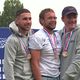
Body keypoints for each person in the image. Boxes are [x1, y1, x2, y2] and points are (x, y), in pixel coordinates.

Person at [29, 8, 62, 80]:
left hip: (57, 76)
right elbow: (34, 63)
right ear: (42, 21)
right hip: (44, 76)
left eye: (54, 18)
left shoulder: (57, 35)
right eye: (50, 18)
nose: (53, 20)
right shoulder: (37, 37)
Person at [4, 9, 33, 80]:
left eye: (30, 19)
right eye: (25, 19)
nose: (28, 22)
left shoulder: (32, 37)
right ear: (17, 21)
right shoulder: (12, 40)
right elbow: (8, 65)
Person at [59, 6, 80, 80]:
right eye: (69, 17)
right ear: (62, 19)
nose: (73, 20)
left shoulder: (79, 32)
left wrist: (67, 77)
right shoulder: (59, 34)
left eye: (75, 17)